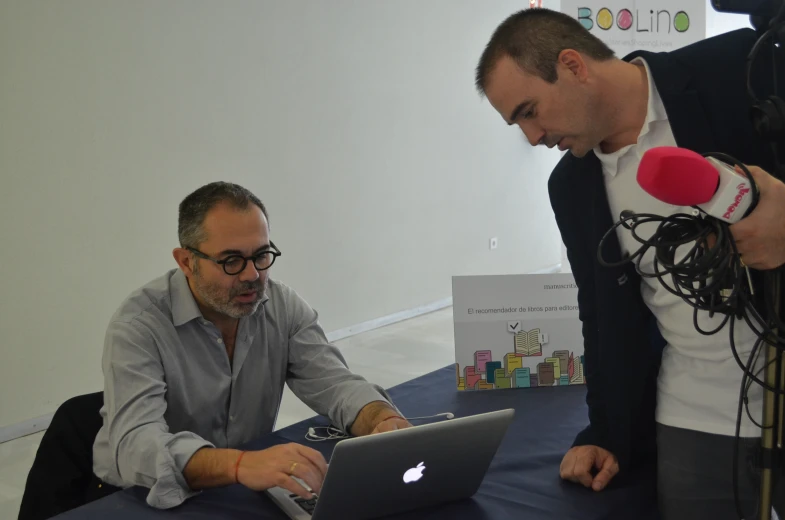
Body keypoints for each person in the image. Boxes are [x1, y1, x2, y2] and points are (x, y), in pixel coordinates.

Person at [475, 8, 785, 519]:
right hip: (693, 421)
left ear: (573, 65)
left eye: (529, 111)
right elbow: (600, 316)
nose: (532, 138)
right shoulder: (572, 187)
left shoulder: (740, 70)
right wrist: (605, 431)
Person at [92, 182, 411, 509]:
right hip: (140, 497)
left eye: (261, 256)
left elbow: (334, 382)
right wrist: (240, 464)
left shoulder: (281, 305)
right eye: (231, 261)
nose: (252, 275)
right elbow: (135, 445)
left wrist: (381, 418)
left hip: (240, 486)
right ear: (187, 261)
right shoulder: (138, 327)